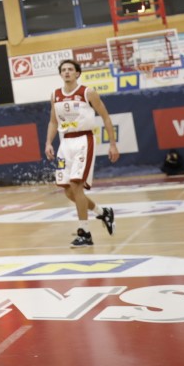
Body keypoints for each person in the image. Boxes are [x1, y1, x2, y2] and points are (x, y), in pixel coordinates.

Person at [45, 59, 118, 248]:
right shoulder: (55, 95)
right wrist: (48, 143)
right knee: (68, 191)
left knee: (77, 185)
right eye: (63, 70)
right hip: (65, 143)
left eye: (70, 69)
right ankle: (102, 212)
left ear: (77, 73)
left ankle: (84, 233)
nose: (67, 72)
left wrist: (112, 144)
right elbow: (53, 122)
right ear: (60, 74)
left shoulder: (88, 92)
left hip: (84, 140)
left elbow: (106, 117)